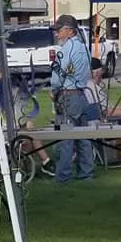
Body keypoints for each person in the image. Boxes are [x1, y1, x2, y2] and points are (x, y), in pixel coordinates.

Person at [49, 13, 94, 184]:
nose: (56, 33)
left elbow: (57, 78)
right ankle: (86, 174)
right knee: (83, 138)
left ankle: (63, 177)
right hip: (82, 95)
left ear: (69, 31)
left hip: (67, 97)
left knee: (65, 139)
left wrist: (54, 91)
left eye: (59, 30)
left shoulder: (66, 49)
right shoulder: (84, 48)